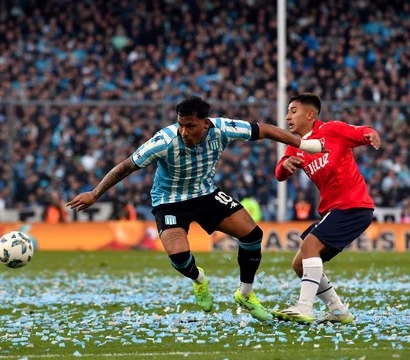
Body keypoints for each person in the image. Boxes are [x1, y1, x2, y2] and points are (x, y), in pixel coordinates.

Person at [67, 95, 325, 322]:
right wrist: (95, 192)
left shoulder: (223, 128)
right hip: (169, 200)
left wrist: (302, 144)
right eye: (180, 125)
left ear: (205, 122)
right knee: (179, 259)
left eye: (190, 126)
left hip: (204, 193)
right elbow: (126, 165)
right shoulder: (164, 140)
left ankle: (245, 294)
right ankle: (199, 280)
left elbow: (266, 130)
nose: (184, 132)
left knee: (252, 235)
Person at [271, 93, 381, 324]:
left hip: (353, 206)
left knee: (310, 245)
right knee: (299, 264)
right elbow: (279, 174)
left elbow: (361, 131)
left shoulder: (332, 130)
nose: (287, 116)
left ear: (310, 114)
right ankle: (338, 310)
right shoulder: (296, 145)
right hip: (334, 210)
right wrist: (286, 165)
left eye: (293, 110)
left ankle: (304, 308)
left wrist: (371, 134)